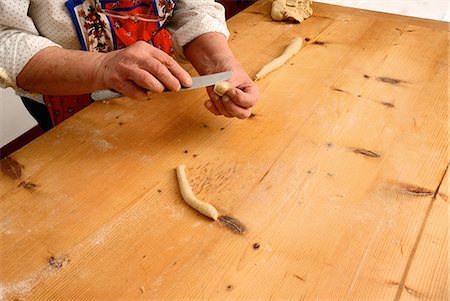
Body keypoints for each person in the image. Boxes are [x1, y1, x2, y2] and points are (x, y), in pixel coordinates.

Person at [0, 0, 260, 130]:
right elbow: (4, 37)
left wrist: (218, 62)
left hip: (166, 87)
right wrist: (102, 67)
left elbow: (192, 5)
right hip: (69, 98)